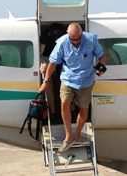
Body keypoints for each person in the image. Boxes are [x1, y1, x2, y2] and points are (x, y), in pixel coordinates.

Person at [39, 22, 106, 153]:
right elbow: (52, 63)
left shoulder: (91, 40)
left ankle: (77, 133)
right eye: (72, 40)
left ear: (82, 34)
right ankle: (69, 136)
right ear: (68, 36)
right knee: (64, 103)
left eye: (78, 39)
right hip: (68, 80)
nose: (76, 42)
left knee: (84, 110)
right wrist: (46, 81)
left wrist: (102, 67)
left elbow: (102, 57)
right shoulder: (63, 42)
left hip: (86, 81)